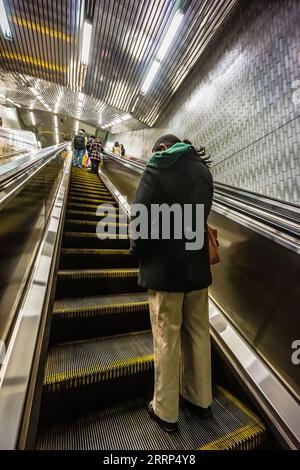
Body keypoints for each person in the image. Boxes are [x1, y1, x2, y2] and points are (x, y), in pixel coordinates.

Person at [131, 134, 214, 433]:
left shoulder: (160, 165)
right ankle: (200, 399)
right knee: (198, 334)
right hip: (197, 269)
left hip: (166, 271)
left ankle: (165, 411)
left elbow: (139, 217)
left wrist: (137, 250)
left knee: (167, 336)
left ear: (162, 149)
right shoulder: (203, 170)